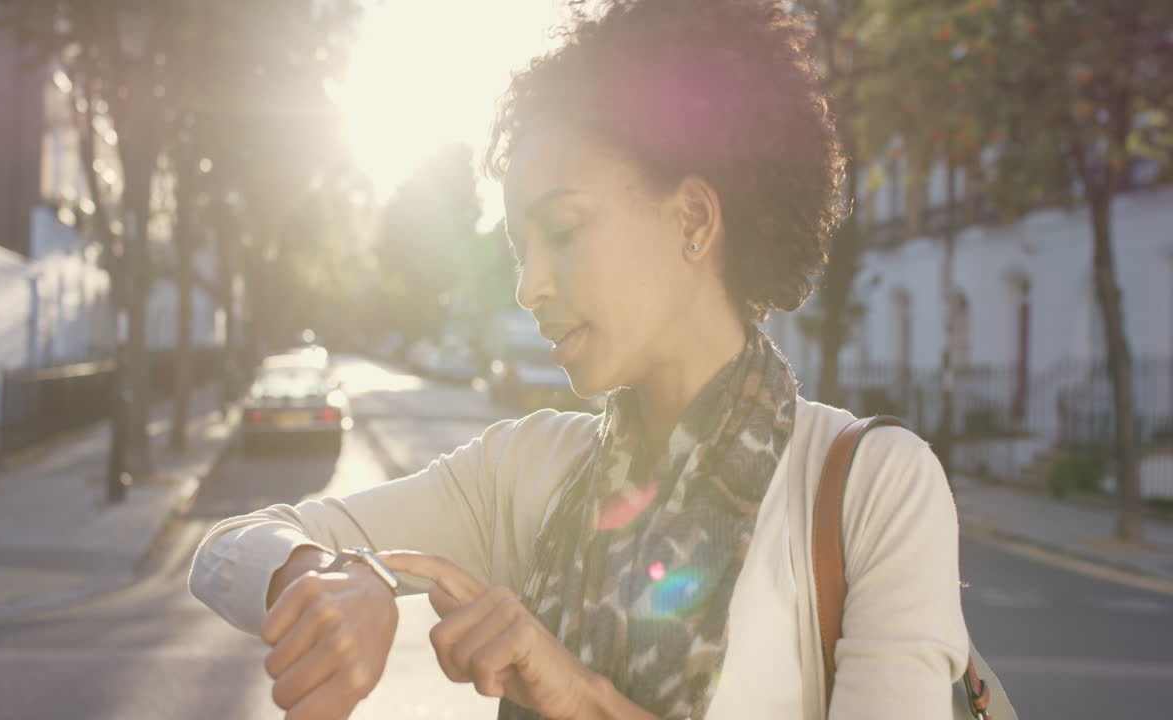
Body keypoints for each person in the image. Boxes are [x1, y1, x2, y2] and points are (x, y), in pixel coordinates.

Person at [188, 1, 969, 718]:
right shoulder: (523, 470)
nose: (529, 287)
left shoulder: (870, 489)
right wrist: (325, 574)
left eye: (560, 232)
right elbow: (231, 545)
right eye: (520, 251)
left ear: (693, 218)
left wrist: (579, 696)